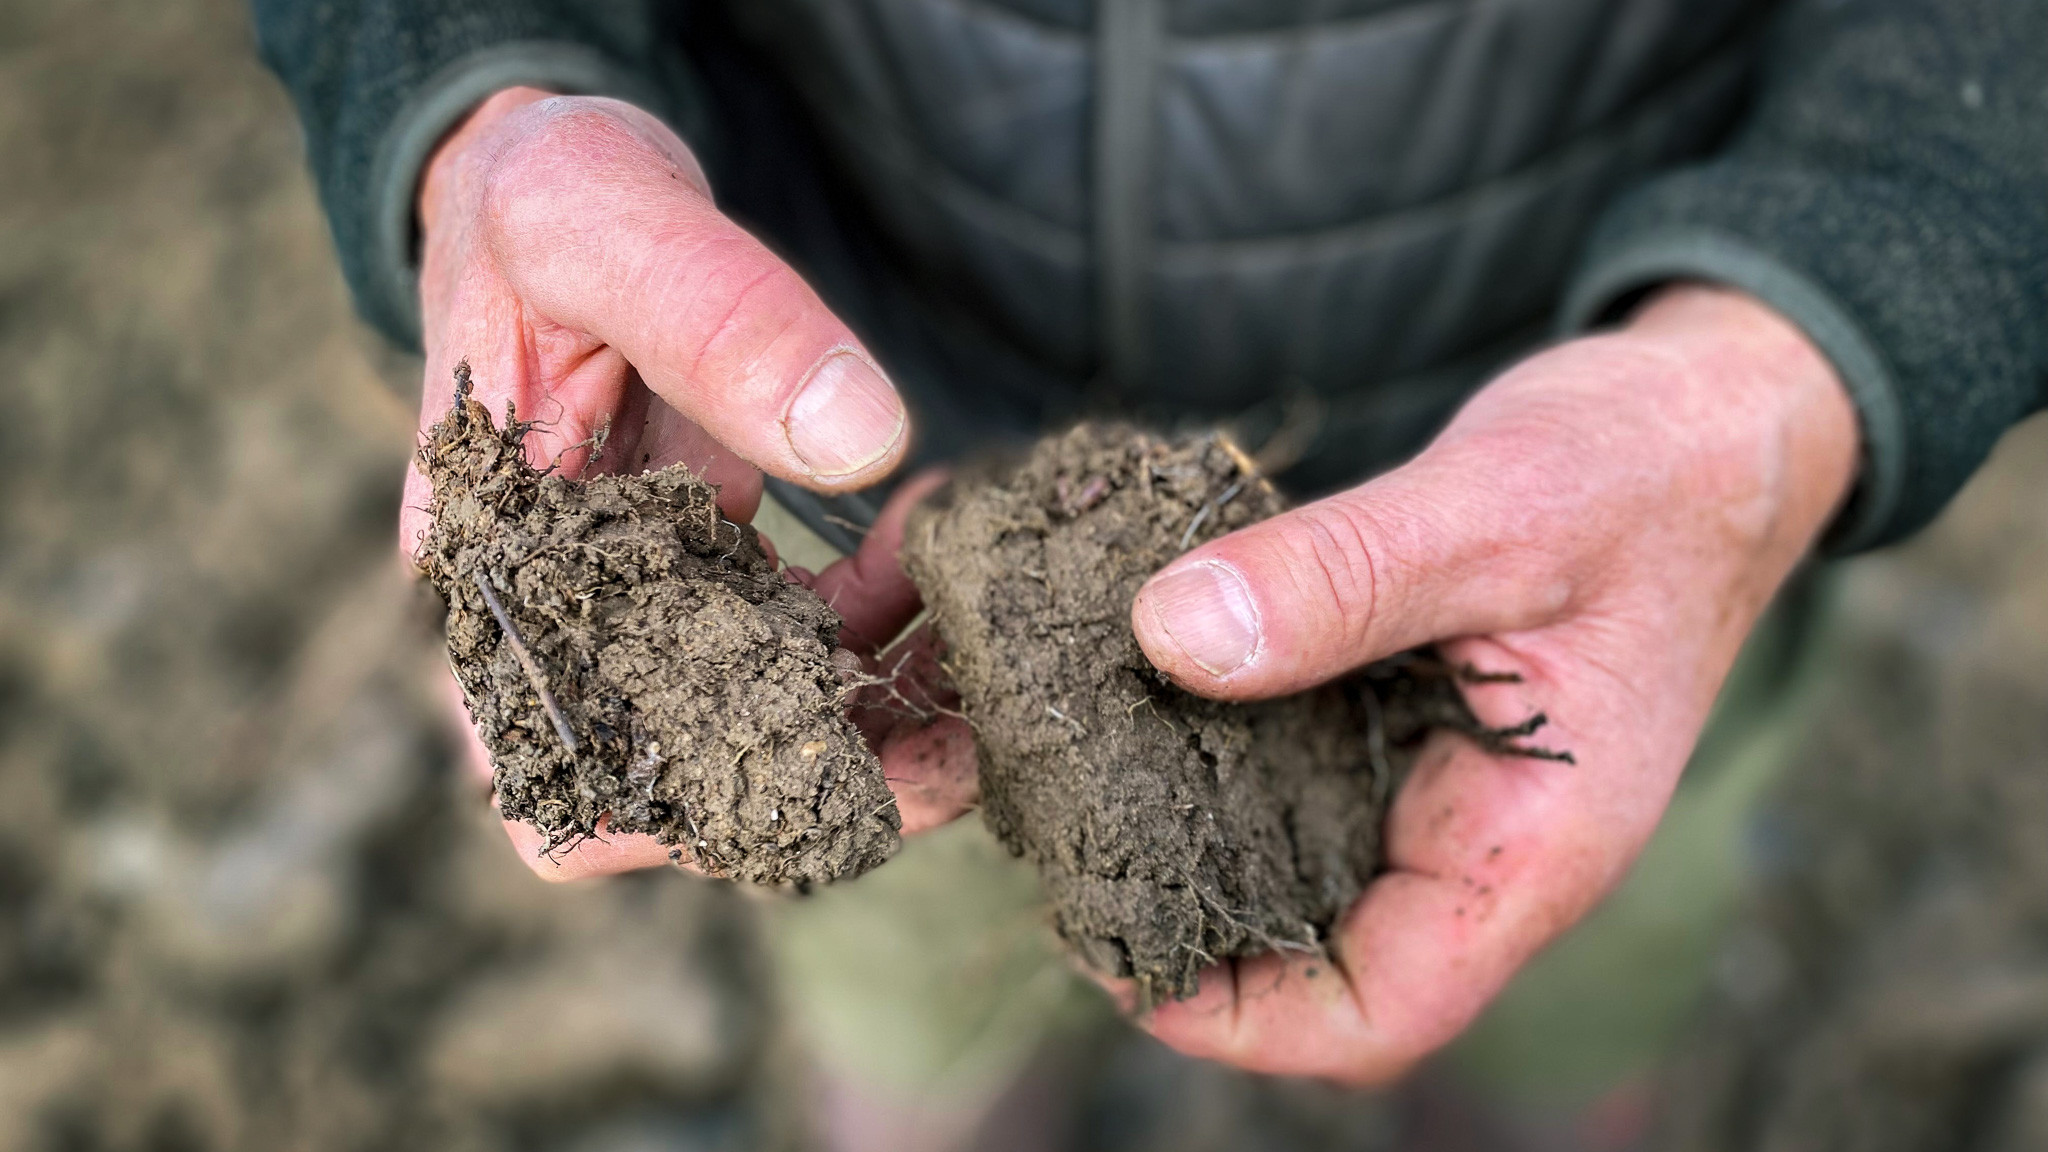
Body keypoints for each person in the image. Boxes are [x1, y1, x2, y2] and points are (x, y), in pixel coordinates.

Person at [253, 0, 2045, 1084]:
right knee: (908, 999)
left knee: (1565, 1012)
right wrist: (478, 90)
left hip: (1608, 528)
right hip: (859, 531)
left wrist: (1801, 348)